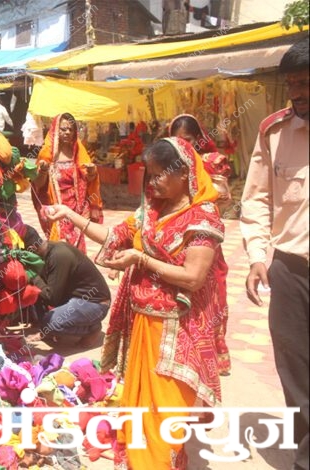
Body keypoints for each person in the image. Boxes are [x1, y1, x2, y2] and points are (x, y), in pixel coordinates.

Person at [46, 137, 225, 469]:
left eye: (160, 175)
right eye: (150, 175)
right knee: (141, 409)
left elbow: (193, 277)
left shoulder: (203, 217)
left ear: (183, 172)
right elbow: (113, 235)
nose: (153, 183)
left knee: (165, 419)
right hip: (143, 324)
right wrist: (68, 213)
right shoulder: (151, 212)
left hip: (176, 332)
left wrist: (141, 260)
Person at [241, 37, 309, 470]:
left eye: (305, 83)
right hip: (290, 269)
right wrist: (257, 256)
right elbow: (257, 199)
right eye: (292, 85)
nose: (297, 93)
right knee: (295, 368)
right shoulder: (274, 130)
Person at [170, 113, 232, 376]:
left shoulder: (212, 162)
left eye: (187, 140)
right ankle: (185, 349)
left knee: (211, 293)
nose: (182, 145)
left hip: (203, 238)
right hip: (174, 239)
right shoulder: (167, 164)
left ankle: (213, 353)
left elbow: (225, 199)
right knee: (179, 292)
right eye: (175, 140)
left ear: (197, 140)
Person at [31, 113, 102, 253]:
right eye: (63, 129)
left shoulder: (78, 152)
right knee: (60, 246)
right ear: (55, 130)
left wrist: (93, 173)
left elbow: (87, 178)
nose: (67, 132)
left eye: (71, 129)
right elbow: (38, 185)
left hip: (76, 208)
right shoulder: (47, 154)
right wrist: (44, 171)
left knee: (77, 247)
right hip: (55, 208)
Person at [29, 237, 111, 347]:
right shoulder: (48, 252)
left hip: (95, 303)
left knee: (51, 322)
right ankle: (48, 330)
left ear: (31, 248)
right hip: (77, 298)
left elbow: (52, 297)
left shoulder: (59, 255)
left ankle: (92, 329)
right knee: (36, 292)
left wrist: (33, 275)